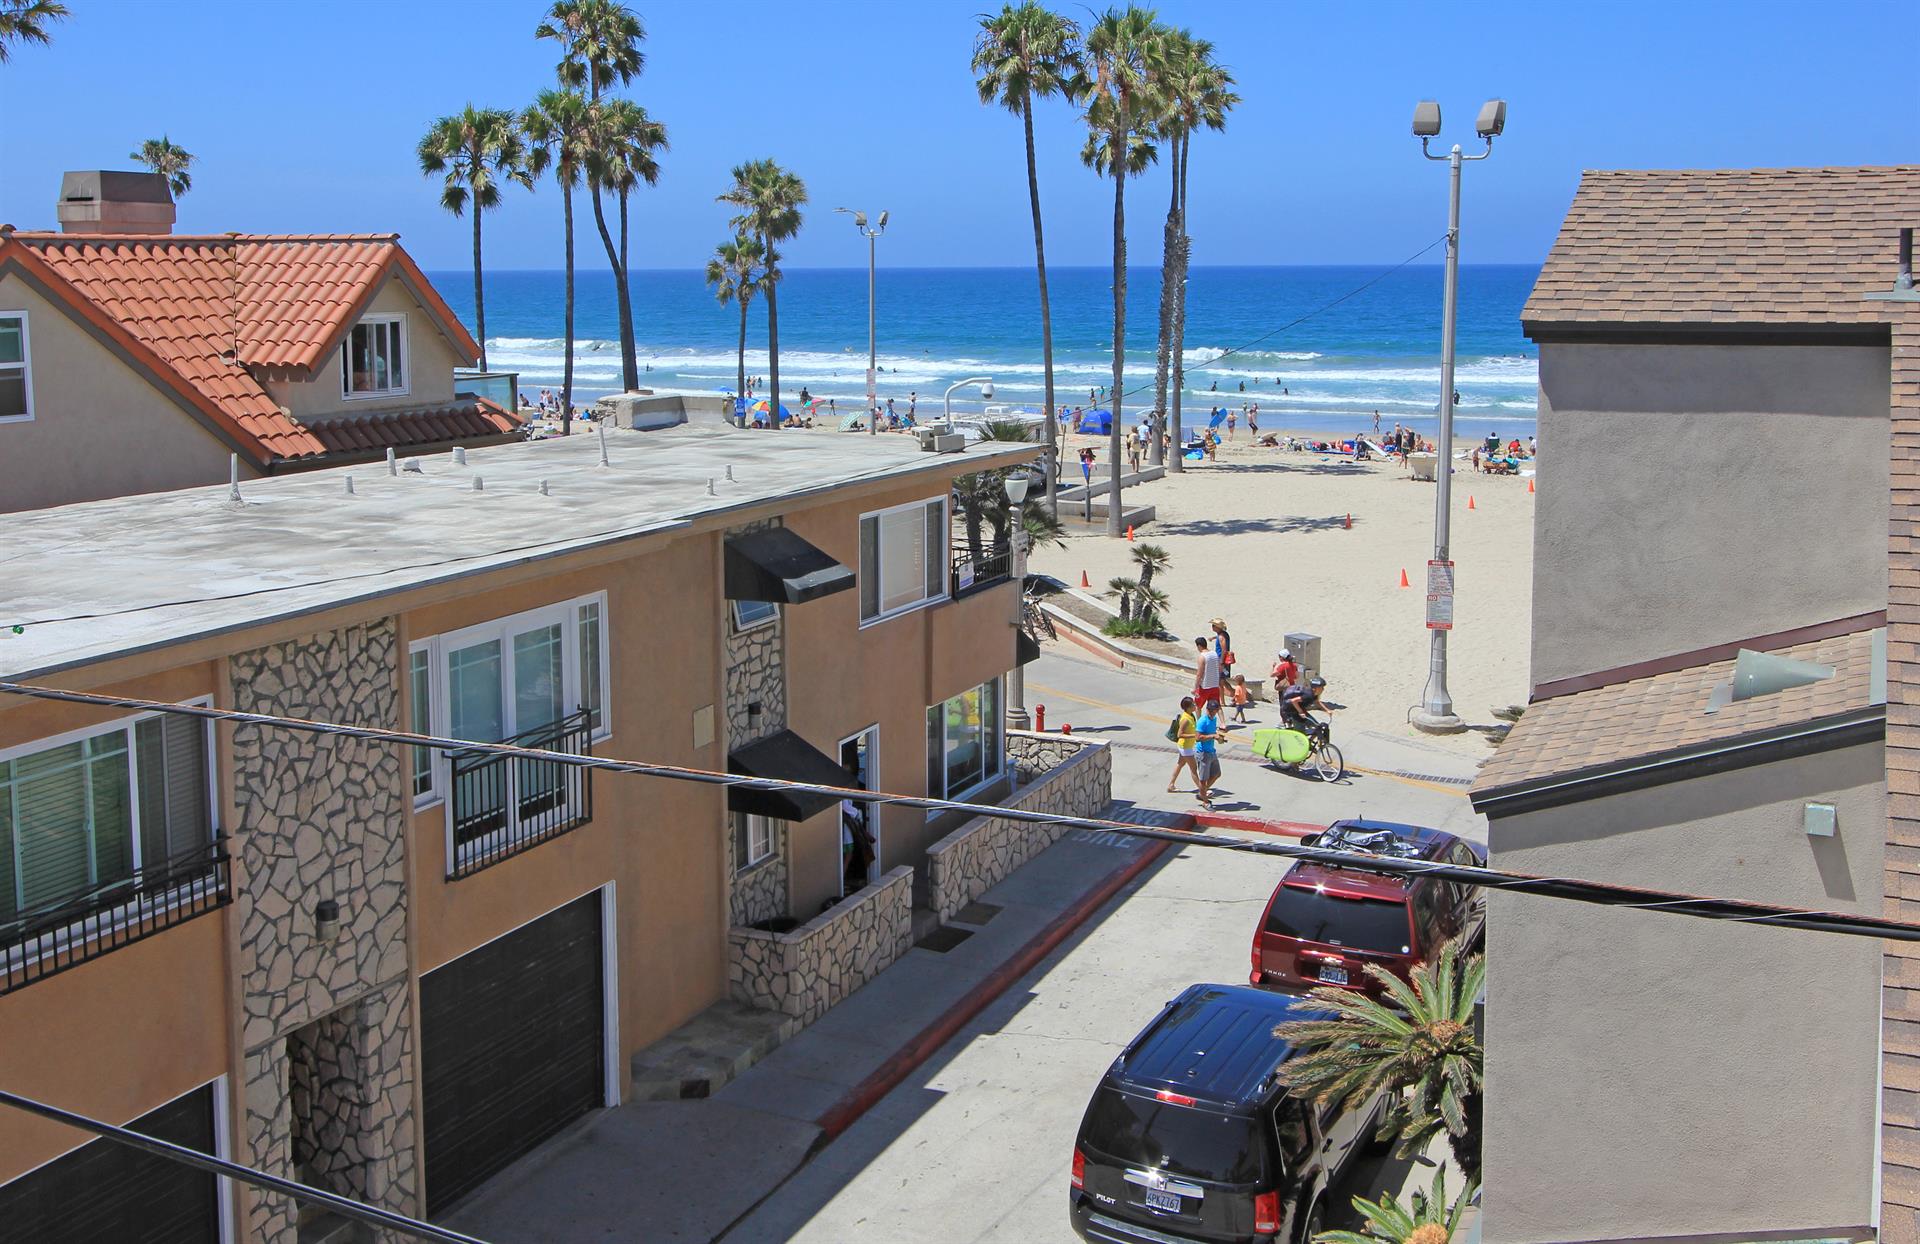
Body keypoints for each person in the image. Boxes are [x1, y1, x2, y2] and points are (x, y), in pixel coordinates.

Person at [1166, 695, 1200, 794]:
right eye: (1193, 704)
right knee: (1193, 769)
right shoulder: (1185, 719)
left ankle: (1171, 785)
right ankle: (1202, 791)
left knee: (1180, 764)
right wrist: (1193, 735)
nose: (1195, 705)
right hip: (1185, 747)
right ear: (1188, 707)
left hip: (1187, 746)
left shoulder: (1191, 716)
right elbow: (1180, 734)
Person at [1192, 701, 1221, 808]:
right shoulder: (1202, 721)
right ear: (1207, 709)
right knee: (1203, 780)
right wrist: (1213, 736)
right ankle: (1205, 801)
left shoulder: (1214, 719)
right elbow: (1198, 737)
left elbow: (1211, 733)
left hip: (1211, 751)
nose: (1213, 713)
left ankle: (1202, 792)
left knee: (1216, 774)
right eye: (1211, 710)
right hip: (1203, 753)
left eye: (1215, 711)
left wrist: (1218, 737)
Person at [1192, 636, 1223, 716]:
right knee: (1216, 706)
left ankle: (1199, 723)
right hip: (1215, 685)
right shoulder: (1214, 654)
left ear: (1199, 646)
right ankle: (1222, 723)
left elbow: (1199, 674)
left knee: (1198, 705)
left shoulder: (1202, 656)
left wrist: (1195, 688)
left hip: (1204, 686)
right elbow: (1219, 668)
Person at [1210, 617, 1234, 683]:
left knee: (1221, 680)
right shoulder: (1223, 634)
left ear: (1217, 627)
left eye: (1213, 626)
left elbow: (1224, 650)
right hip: (1223, 659)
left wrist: (1221, 662)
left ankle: (1228, 692)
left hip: (1221, 659)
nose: (1212, 627)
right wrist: (1213, 638)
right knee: (1222, 680)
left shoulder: (1221, 637)